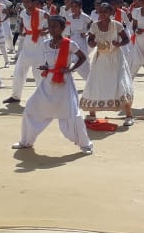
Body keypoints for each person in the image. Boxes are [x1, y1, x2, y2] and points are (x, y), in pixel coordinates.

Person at [12, 15, 93, 154]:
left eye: (55, 26)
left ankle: (85, 144)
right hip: (48, 82)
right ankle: (26, 141)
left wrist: (71, 68)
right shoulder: (45, 44)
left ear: (62, 28)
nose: (51, 29)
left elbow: (82, 57)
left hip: (64, 83)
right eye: (50, 26)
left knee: (73, 114)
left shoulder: (70, 44)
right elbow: (49, 62)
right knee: (31, 107)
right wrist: (46, 67)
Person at [79, 2, 135, 125]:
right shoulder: (94, 25)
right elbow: (90, 40)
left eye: (105, 12)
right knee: (95, 83)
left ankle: (129, 116)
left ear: (111, 13)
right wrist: (92, 44)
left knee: (120, 83)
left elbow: (126, 39)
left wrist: (118, 44)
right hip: (100, 59)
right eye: (100, 12)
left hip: (116, 58)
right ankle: (92, 114)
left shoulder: (117, 25)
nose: (102, 14)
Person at [7, 0, 48, 104]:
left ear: (34, 2)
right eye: (24, 2)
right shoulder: (23, 13)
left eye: (28, 2)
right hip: (27, 42)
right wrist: (21, 31)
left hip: (39, 43)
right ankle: (15, 96)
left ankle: (43, 97)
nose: (25, 4)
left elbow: (55, 22)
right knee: (19, 70)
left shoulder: (41, 13)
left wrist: (46, 31)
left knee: (39, 71)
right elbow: (21, 22)